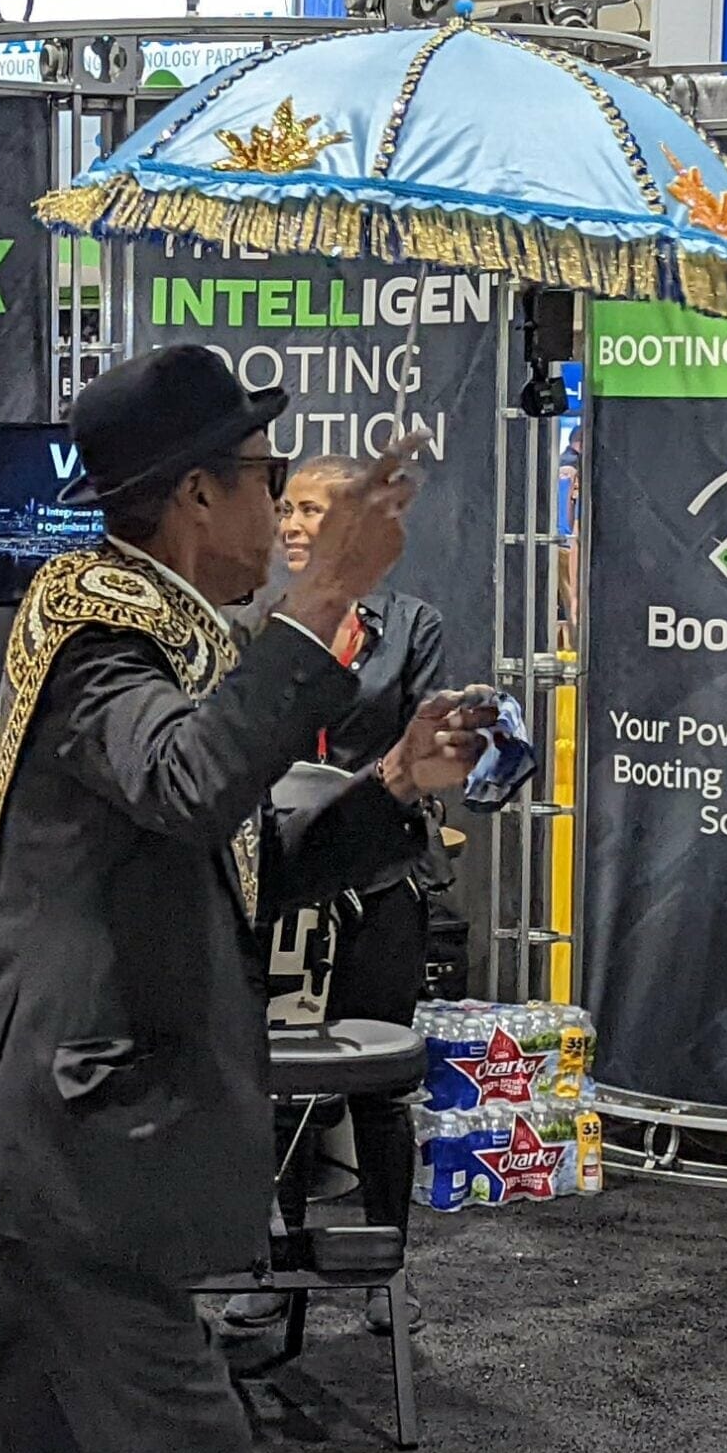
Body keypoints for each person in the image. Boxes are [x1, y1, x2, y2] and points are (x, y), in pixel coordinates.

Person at [0, 345, 496, 1453]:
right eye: (264, 482)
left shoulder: (162, 632)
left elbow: (226, 857)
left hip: (87, 1128)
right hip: (88, 1133)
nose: (283, 506)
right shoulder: (98, 630)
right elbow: (188, 786)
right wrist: (326, 597)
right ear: (190, 499)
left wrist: (391, 787)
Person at [228, 450, 451, 1340]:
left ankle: (385, 1264)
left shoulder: (412, 625)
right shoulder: (249, 626)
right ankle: (268, 1263)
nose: (290, 524)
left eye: (314, 510)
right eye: (285, 508)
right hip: (279, 879)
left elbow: (423, 735)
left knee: (379, 1077)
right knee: (274, 1080)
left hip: (379, 879)